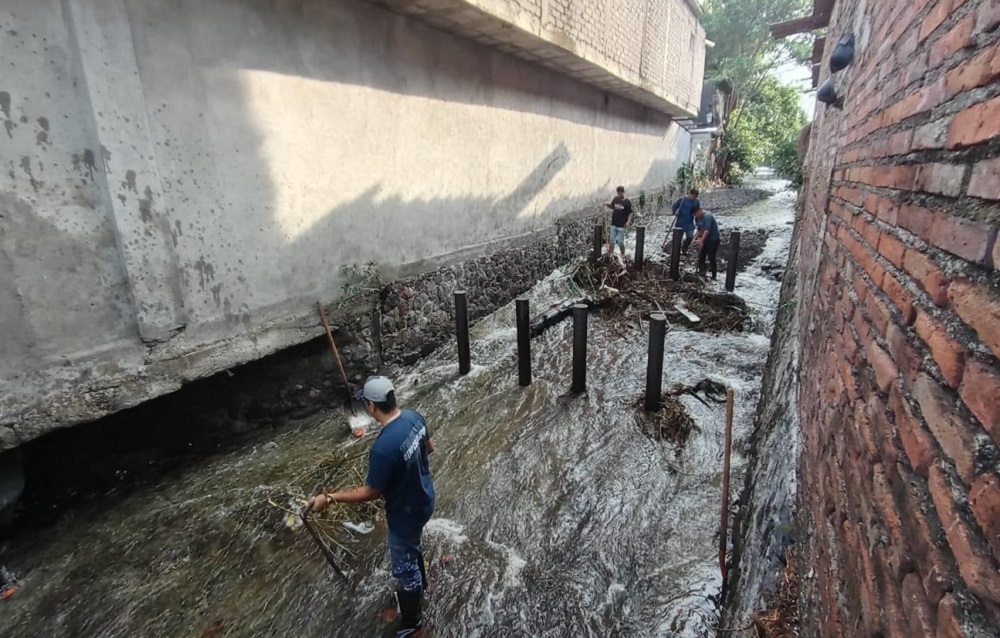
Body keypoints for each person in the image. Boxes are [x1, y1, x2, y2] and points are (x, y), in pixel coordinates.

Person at [309, 376, 436, 637]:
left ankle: (413, 625)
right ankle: (422, 584)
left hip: (405, 514)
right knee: (413, 545)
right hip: (425, 499)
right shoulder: (414, 417)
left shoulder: (383, 447)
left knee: (404, 568)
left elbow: (371, 492)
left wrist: (330, 497)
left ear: (371, 406)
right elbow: (430, 448)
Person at [693, 207, 721, 280]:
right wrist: (694, 239)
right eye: (694, 215)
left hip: (713, 239)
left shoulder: (707, 216)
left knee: (711, 257)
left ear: (700, 210)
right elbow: (699, 230)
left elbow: (707, 230)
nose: (696, 216)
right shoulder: (697, 218)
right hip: (705, 239)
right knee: (701, 256)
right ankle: (702, 272)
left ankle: (714, 276)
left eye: (696, 214)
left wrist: (701, 241)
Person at [668, 188, 701, 253]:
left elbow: (697, 211)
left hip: (690, 223)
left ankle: (684, 248)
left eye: (695, 197)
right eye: (693, 196)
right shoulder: (682, 200)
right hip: (680, 222)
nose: (693, 198)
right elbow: (674, 207)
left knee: (690, 237)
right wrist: (675, 212)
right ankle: (676, 251)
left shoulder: (696, 201)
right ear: (690, 194)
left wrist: (698, 221)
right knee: (678, 238)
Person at [605, 185, 633, 257]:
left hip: (621, 225)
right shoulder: (615, 199)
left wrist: (627, 222)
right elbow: (612, 206)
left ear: (623, 192)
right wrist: (607, 205)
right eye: (618, 193)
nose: (619, 195)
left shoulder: (627, 202)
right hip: (614, 224)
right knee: (612, 241)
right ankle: (610, 255)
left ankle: (623, 255)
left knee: (620, 242)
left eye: (621, 193)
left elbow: (630, 213)